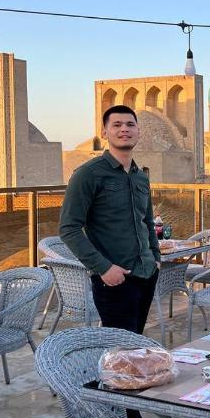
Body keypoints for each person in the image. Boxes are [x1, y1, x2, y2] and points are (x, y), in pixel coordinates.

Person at [59, 104, 160, 334]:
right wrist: (103, 268)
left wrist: (155, 257)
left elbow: (147, 221)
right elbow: (69, 228)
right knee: (119, 351)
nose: (124, 129)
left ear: (138, 131)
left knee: (134, 346)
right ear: (104, 132)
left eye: (130, 124)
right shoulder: (88, 174)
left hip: (146, 274)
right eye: (117, 125)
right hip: (114, 279)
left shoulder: (140, 177)